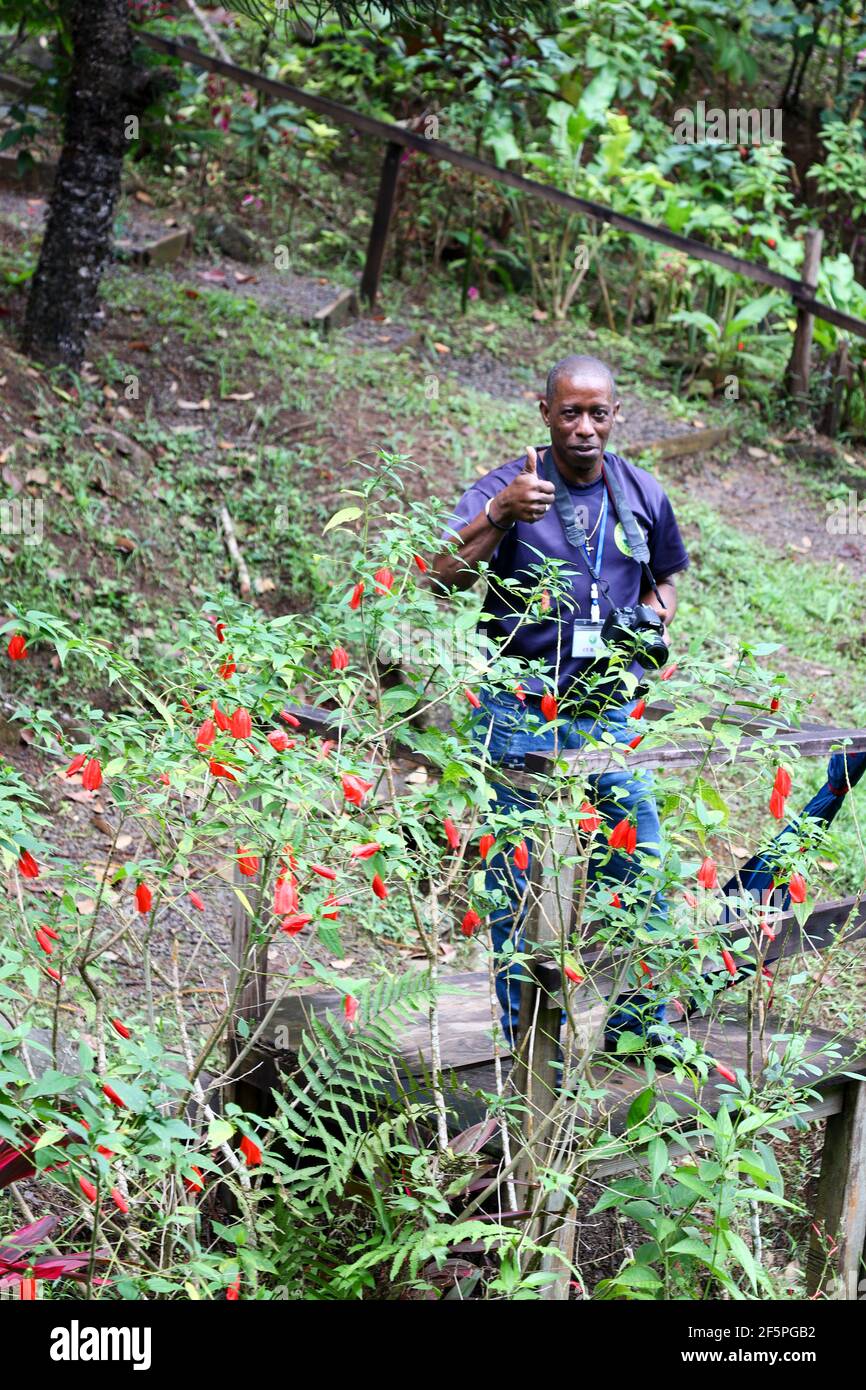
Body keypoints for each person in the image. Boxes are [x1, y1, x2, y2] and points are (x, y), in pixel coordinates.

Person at [432, 354, 690, 1057]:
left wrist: (652, 617)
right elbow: (435, 576)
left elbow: (666, 576)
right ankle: (522, 1046)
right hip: (517, 708)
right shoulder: (509, 485)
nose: (583, 428)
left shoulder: (640, 492)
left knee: (639, 860)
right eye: (569, 412)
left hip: (605, 707)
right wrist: (499, 513)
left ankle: (638, 1025)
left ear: (615, 416)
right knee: (513, 873)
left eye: (596, 413)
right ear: (544, 413)